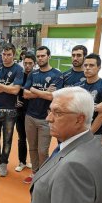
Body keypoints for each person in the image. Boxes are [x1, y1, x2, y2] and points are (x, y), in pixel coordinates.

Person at [23, 46, 63, 184]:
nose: (40, 58)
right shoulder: (32, 74)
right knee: (32, 147)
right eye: (38, 56)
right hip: (30, 117)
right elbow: (25, 94)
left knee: (42, 150)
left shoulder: (57, 75)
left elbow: (53, 97)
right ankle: (35, 173)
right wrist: (44, 92)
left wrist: (34, 90)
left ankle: (43, 175)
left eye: (43, 56)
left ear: (49, 56)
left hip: (46, 119)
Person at [0, 43, 22, 177]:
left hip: (11, 110)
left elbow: (16, 91)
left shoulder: (18, 69)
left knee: (7, 139)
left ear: (14, 55)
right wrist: (8, 87)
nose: (6, 57)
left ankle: (4, 162)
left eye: (9, 55)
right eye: (4, 54)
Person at [73, 53, 102, 143]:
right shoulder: (77, 87)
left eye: (91, 65)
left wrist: (88, 134)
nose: (87, 68)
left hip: (94, 133)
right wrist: (95, 107)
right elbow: (75, 108)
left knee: (90, 157)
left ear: (99, 67)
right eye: (85, 65)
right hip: (76, 131)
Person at [14, 52, 35, 172]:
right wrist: (14, 102)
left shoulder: (37, 76)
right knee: (21, 138)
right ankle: (22, 161)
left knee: (32, 139)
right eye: (25, 63)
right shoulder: (19, 75)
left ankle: (33, 162)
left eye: (30, 63)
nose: (27, 65)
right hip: (20, 112)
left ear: (34, 64)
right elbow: (13, 91)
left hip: (33, 112)